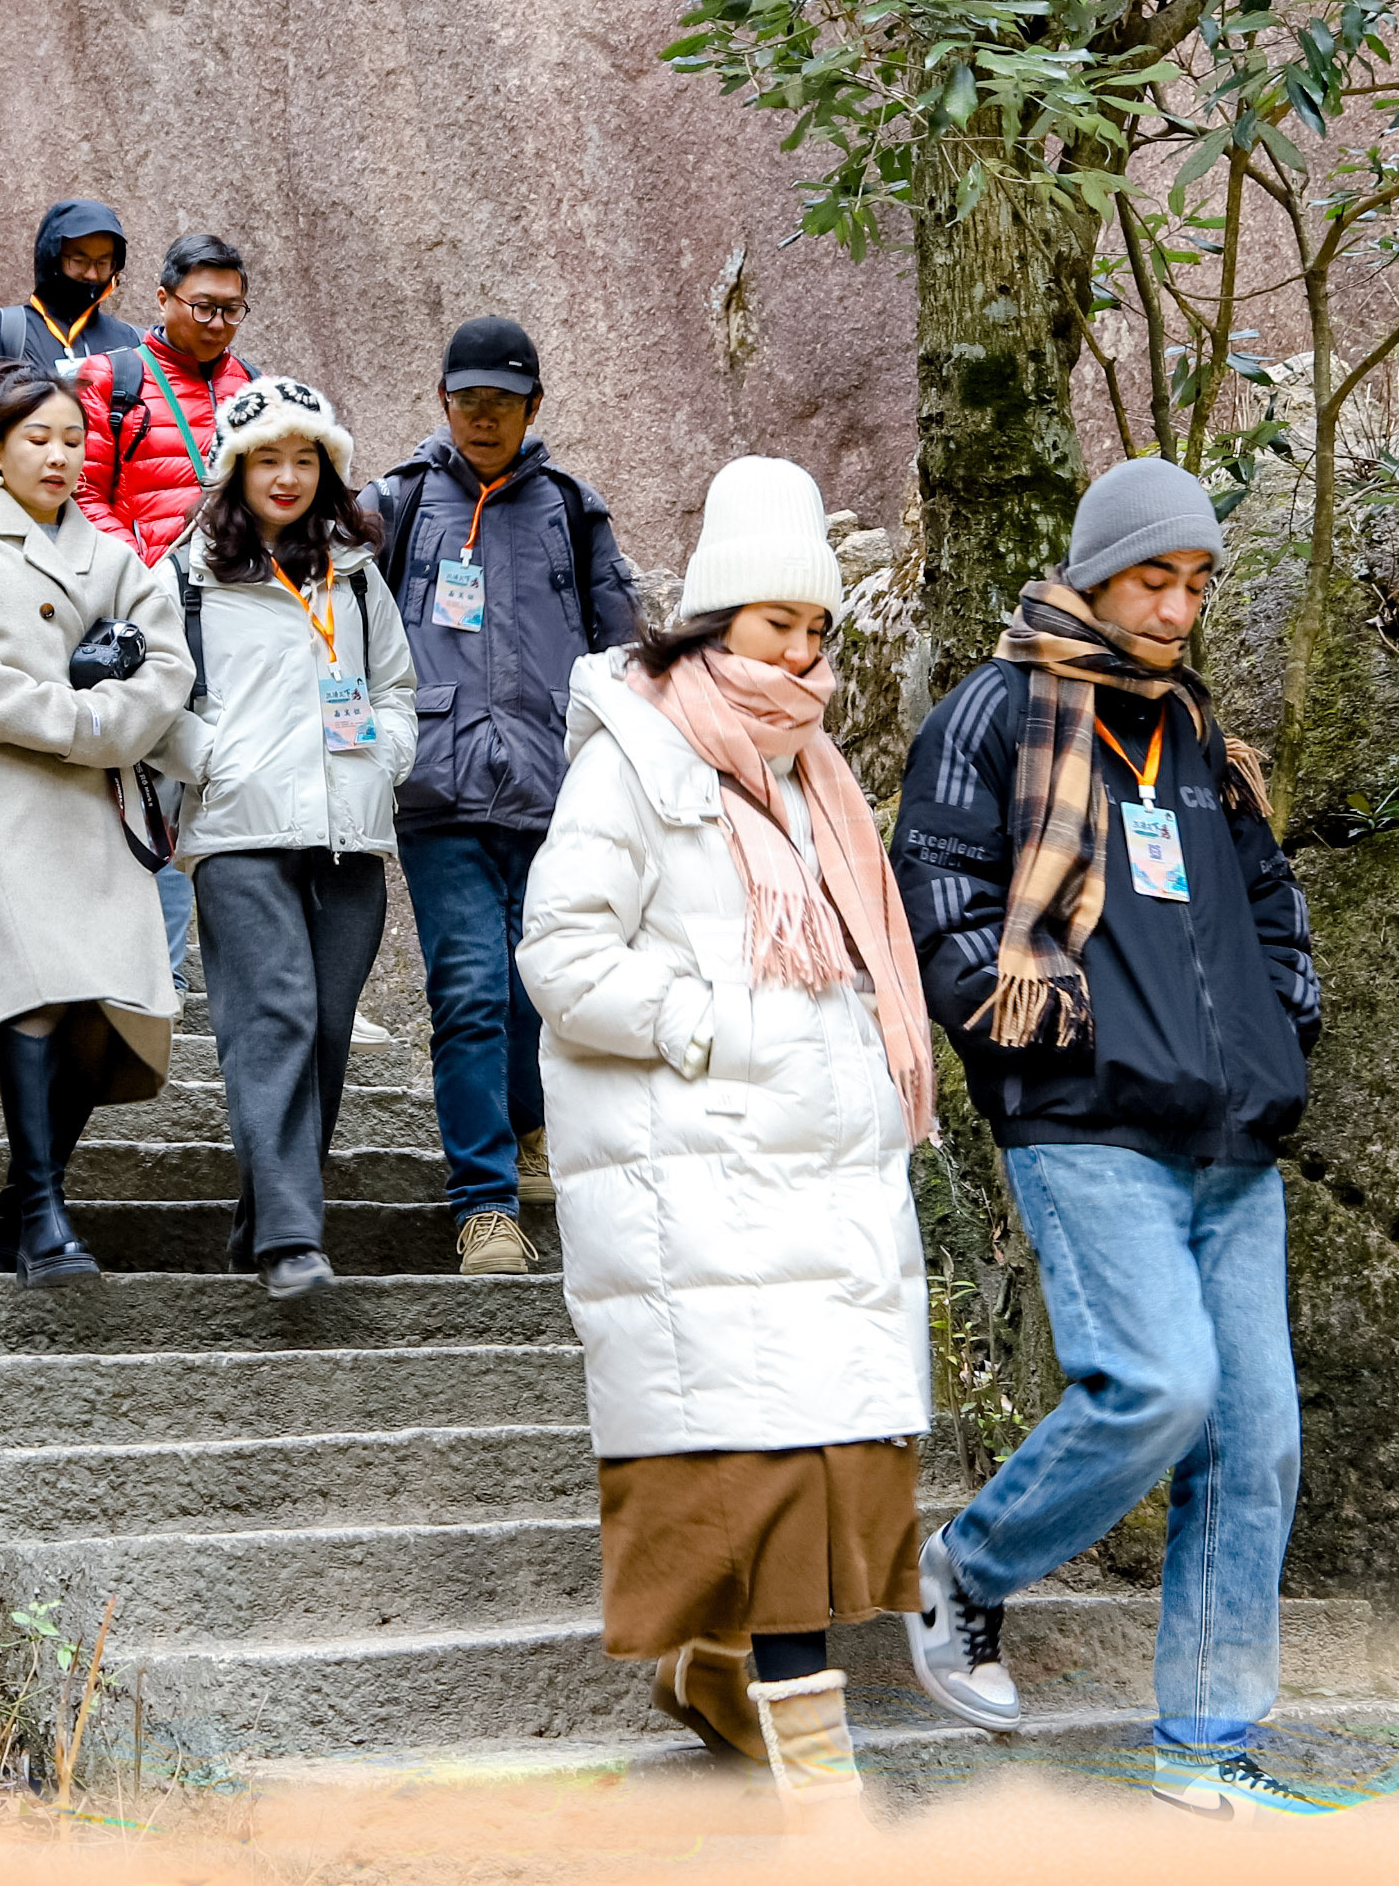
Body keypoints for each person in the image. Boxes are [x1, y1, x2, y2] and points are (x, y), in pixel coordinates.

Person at [888, 457, 1325, 1820]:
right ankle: (967, 1566)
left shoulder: (1196, 734)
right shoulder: (996, 710)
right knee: (1159, 1385)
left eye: (1197, 581)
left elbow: (1271, 911)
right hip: (1082, 1119)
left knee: (1255, 1442)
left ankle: (1207, 1743)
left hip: (1227, 1135)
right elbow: (940, 886)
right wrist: (1047, 1029)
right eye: (1155, 577)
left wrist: (1278, 1034)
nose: (1179, 607)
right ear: (1094, 571)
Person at [516, 456, 935, 1814]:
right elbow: (561, 957)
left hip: (814, 1171)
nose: (803, 652)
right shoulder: (636, 755)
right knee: (762, 1465)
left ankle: (715, 1676)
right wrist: (716, 1028)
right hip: (699, 1170)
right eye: (776, 626)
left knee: (829, 1456)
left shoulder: (817, 774)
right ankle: (817, 1756)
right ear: (709, 622)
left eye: (816, 629)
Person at [360, 318, 647, 1274]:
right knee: (470, 987)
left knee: (540, 987)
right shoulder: (397, 504)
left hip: (553, 789)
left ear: (533, 409)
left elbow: (623, 651)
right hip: (438, 792)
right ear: (443, 402)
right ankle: (481, 1204)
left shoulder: (572, 507)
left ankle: (530, 1132)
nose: (485, 417)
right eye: (468, 398)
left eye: (504, 401)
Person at [0, 364, 198, 1282]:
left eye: (74, 439)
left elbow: (167, 666)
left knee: (104, 1009)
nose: (61, 456)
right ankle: (42, 1215)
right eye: (38, 439)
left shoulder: (113, 558)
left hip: (98, 807)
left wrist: (108, 728)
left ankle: (19, 1206)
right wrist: (74, 724)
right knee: (30, 994)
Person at [144, 376, 415, 1300]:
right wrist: (211, 756)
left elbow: (394, 690)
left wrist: (384, 758)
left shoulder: (358, 572)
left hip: (348, 834)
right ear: (235, 470)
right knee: (275, 1019)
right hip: (239, 830)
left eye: (307, 460)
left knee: (327, 1031)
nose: (288, 477)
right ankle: (294, 1241)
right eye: (269, 459)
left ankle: (264, 1214)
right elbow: (155, 700)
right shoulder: (187, 575)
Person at [75, 232, 262, 978]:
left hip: (232, 616)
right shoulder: (111, 378)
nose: (218, 324)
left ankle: (171, 963)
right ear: (161, 299)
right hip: (140, 612)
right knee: (138, 774)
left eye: (233, 309)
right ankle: (124, 954)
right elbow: (82, 489)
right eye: (203, 306)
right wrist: (140, 568)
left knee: (198, 782)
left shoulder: (256, 391)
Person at [0, 197, 142, 392]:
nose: (91, 274)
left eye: (103, 264)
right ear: (52, 259)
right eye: (78, 261)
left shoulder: (131, 342)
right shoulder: (3, 333)